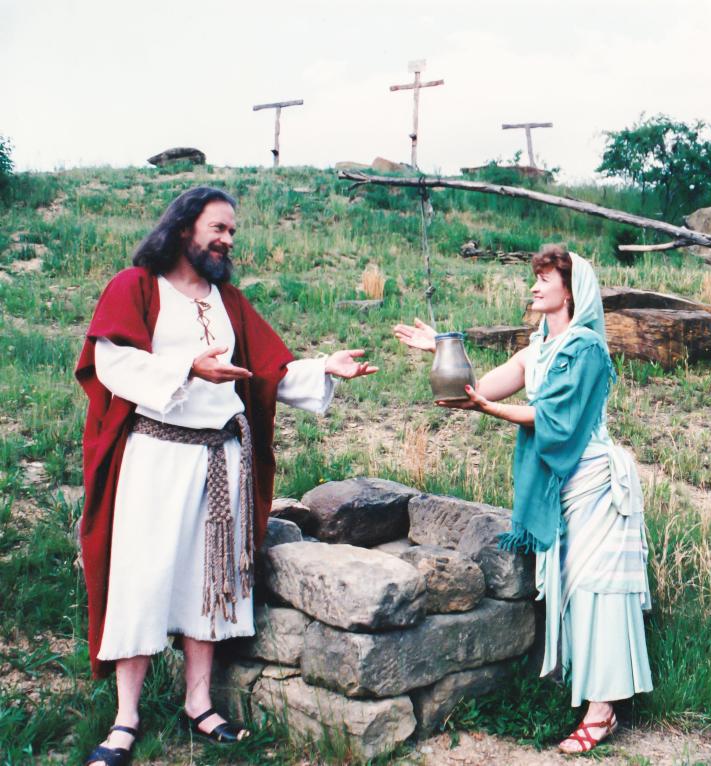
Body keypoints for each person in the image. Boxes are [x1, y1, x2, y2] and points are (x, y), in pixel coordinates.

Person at [75, 186, 377, 766]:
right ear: (185, 227)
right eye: (218, 228)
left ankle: (199, 704)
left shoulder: (227, 300)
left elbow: (268, 371)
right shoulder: (136, 287)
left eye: (232, 231)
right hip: (158, 458)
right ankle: (124, 719)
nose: (227, 240)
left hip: (222, 460)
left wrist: (323, 368)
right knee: (142, 578)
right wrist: (188, 367)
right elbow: (113, 362)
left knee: (211, 576)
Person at [394, 244, 652, 754]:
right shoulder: (535, 351)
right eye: (534, 278)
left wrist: (494, 409)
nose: (534, 287)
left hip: (598, 485)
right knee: (574, 590)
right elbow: (473, 391)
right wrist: (442, 350)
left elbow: (554, 419)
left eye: (544, 279)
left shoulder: (587, 350)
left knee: (597, 591)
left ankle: (603, 713)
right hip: (563, 486)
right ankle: (590, 696)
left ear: (571, 289)